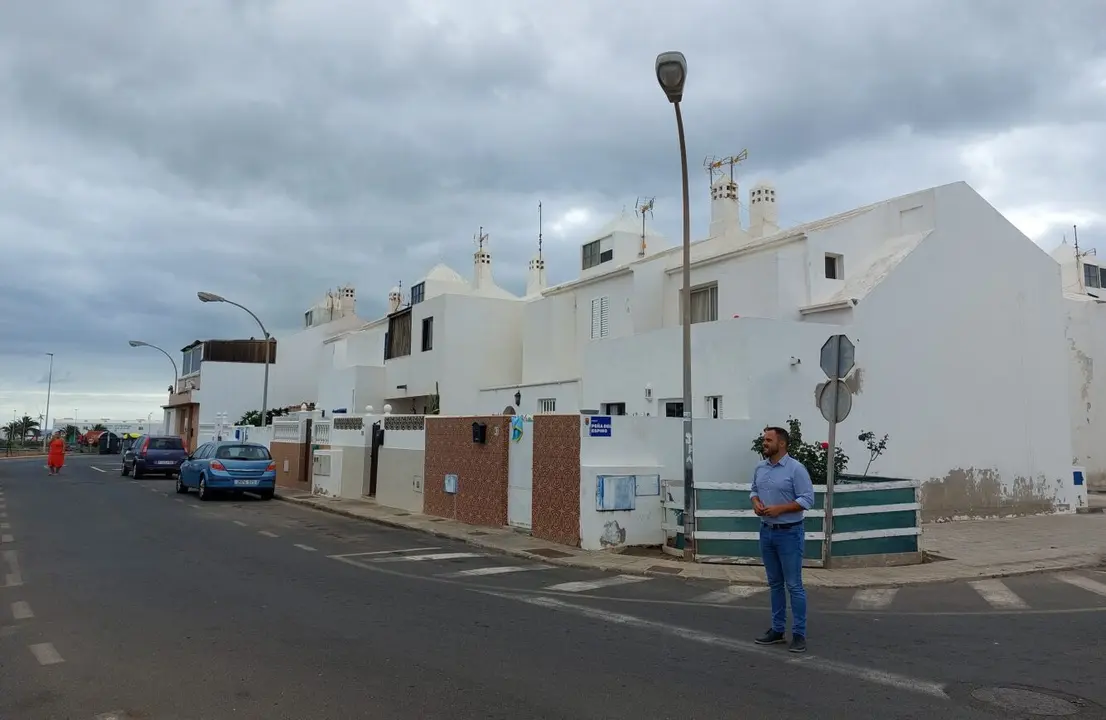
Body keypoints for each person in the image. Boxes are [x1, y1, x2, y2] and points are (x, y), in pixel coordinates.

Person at [750, 425, 815, 653]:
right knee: (775, 583)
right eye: (764, 440)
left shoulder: (796, 469)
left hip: (789, 533)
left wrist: (781, 509)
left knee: (794, 585)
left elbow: (807, 499)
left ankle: (799, 634)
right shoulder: (760, 467)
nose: (764, 443)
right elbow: (753, 490)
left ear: (782, 443)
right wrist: (756, 503)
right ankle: (777, 630)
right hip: (766, 532)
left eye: (768, 440)